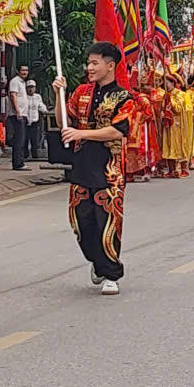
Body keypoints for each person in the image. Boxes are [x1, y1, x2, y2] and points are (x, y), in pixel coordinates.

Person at [53, 42, 133, 295]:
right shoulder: (81, 92)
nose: (89, 67)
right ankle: (98, 262)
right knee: (80, 222)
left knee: (107, 222)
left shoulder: (124, 97)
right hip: (82, 165)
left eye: (94, 63)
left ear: (110, 65)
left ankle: (111, 274)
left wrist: (82, 133)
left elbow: (118, 131)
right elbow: (64, 121)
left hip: (108, 169)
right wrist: (58, 95)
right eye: (88, 63)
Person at [7, 65, 31, 171]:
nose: (25, 72)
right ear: (18, 71)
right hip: (17, 115)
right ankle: (18, 163)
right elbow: (13, 96)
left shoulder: (22, 82)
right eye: (23, 70)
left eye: (26, 70)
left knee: (21, 139)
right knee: (19, 140)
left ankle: (20, 161)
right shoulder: (15, 81)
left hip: (23, 114)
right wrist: (18, 112)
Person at [25, 80, 48, 163]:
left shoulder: (37, 97)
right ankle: (25, 155)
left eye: (32, 87)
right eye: (29, 87)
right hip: (26, 120)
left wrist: (45, 111)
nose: (30, 89)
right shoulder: (24, 97)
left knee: (34, 139)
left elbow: (41, 105)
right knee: (25, 139)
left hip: (35, 120)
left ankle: (35, 155)